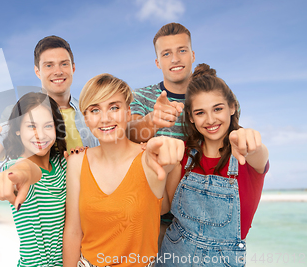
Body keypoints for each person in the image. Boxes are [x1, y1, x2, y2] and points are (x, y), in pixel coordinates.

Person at [63, 74, 185, 267]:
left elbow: (163, 205)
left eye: (114, 107)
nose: (105, 118)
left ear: (128, 113)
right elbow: (73, 230)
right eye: (95, 110)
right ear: (86, 119)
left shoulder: (149, 158)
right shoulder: (76, 162)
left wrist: (171, 151)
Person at [158, 64, 269, 266]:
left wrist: (253, 143)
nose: (210, 120)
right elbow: (163, 208)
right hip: (173, 255)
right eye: (200, 113)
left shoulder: (247, 155)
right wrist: (162, 171)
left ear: (232, 107)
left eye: (217, 109)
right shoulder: (182, 154)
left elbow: (259, 153)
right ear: (191, 117)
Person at [0, 36, 98, 167]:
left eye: (64, 64)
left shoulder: (91, 112)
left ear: (73, 68)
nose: (58, 71)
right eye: (49, 65)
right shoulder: (19, 112)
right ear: (37, 71)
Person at [0, 92, 68, 267]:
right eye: (31, 126)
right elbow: (26, 170)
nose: (40, 135)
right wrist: (21, 172)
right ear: (18, 129)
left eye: (48, 126)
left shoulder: (63, 164)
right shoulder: (14, 166)